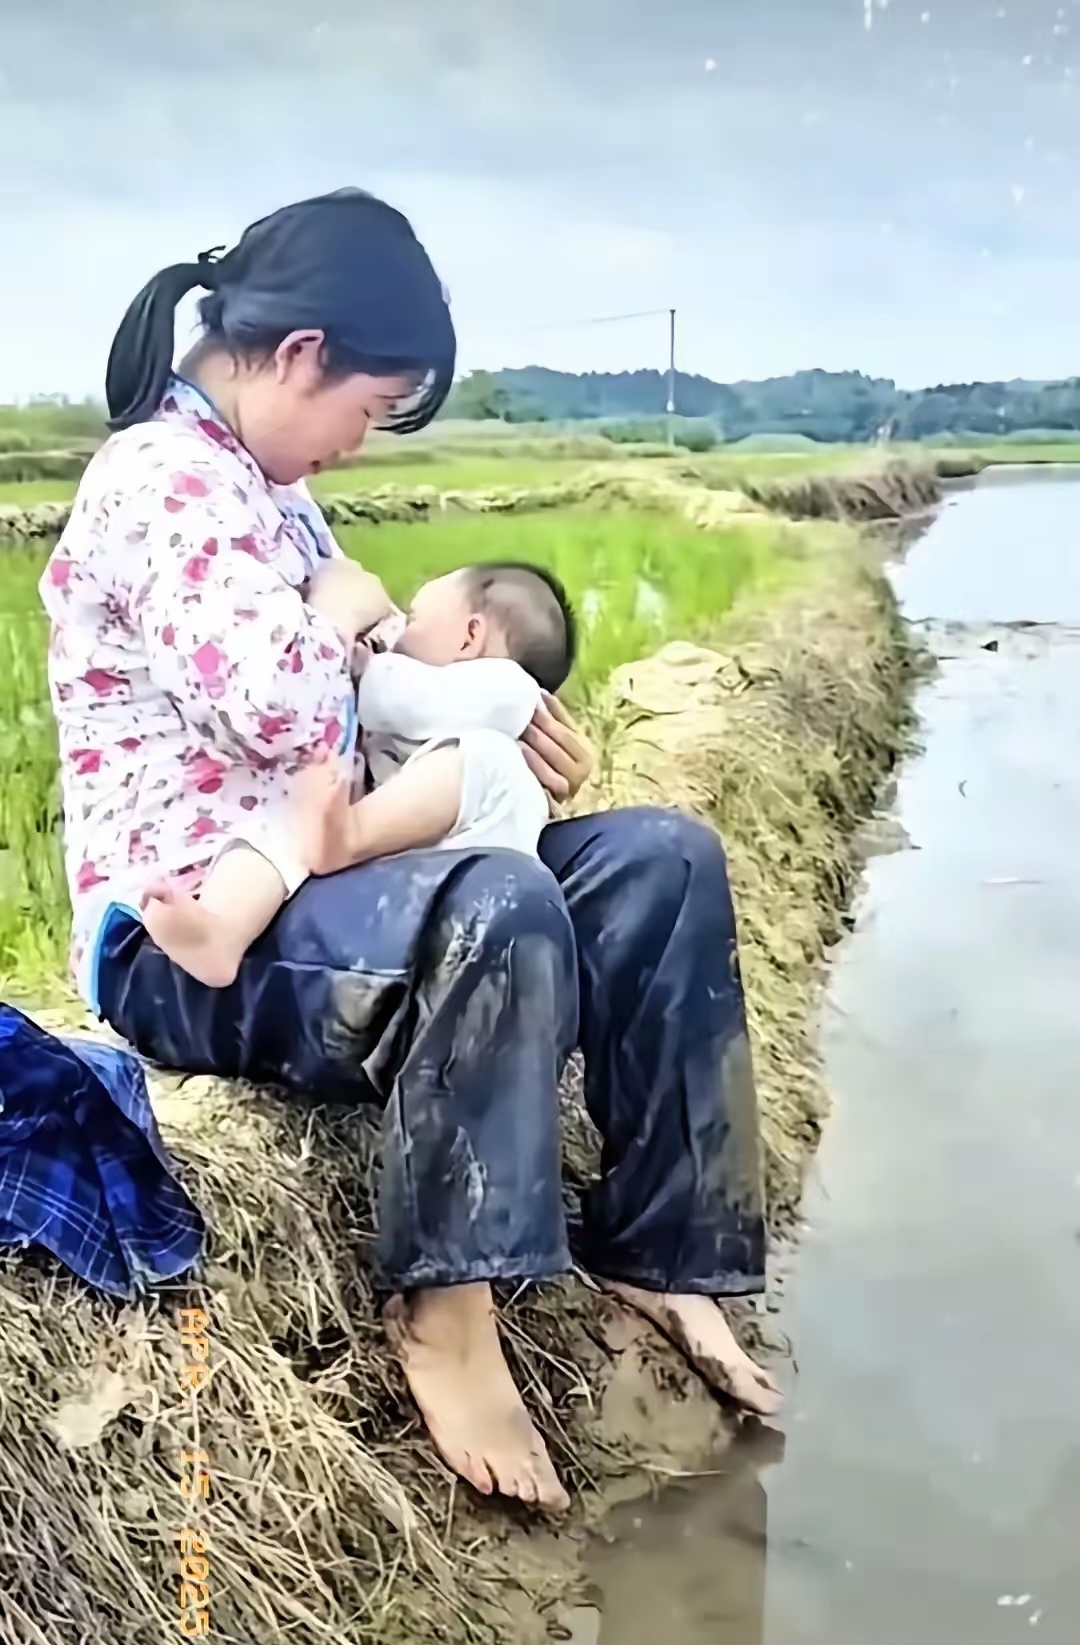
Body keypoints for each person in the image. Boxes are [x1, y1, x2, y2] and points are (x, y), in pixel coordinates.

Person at [40, 188, 780, 1515]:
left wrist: (494, 726)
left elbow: (366, 693)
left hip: (331, 885)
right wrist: (351, 617)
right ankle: (446, 1306)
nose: (354, 447)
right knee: (496, 899)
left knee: (660, 860)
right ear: (303, 355)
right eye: (370, 411)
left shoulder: (270, 491)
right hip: (194, 932)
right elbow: (277, 707)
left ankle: (664, 1250)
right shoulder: (157, 478)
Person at [140, 561, 575, 987]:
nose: (399, 631)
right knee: (286, 826)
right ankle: (221, 929)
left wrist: (359, 666)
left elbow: (405, 699)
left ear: (470, 636)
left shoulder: (509, 690)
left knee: (486, 759)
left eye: (415, 619)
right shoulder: (443, 713)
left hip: (468, 894)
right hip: (403, 884)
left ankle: (346, 837)